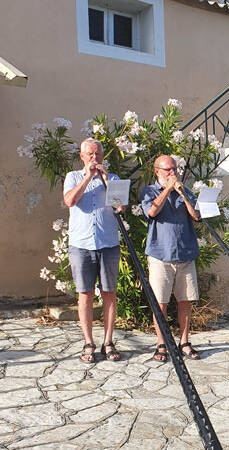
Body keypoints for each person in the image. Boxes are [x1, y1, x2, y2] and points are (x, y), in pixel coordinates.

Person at [63, 138, 125, 363]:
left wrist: (106, 180)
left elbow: (120, 206)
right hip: (81, 245)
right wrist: (88, 177)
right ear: (81, 156)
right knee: (85, 294)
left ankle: (108, 341)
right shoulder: (73, 177)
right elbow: (70, 200)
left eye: (98, 154)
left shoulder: (113, 178)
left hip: (108, 243)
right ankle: (88, 342)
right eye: (89, 154)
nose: (94, 158)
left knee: (109, 293)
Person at [141, 155, 201, 362]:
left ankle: (184, 341)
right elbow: (151, 211)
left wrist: (182, 194)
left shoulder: (185, 190)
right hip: (160, 255)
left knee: (185, 301)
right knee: (160, 303)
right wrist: (167, 189)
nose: (173, 173)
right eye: (168, 170)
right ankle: (161, 343)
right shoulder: (149, 191)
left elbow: (196, 216)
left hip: (185, 254)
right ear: (157, 171)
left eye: (175, 169)